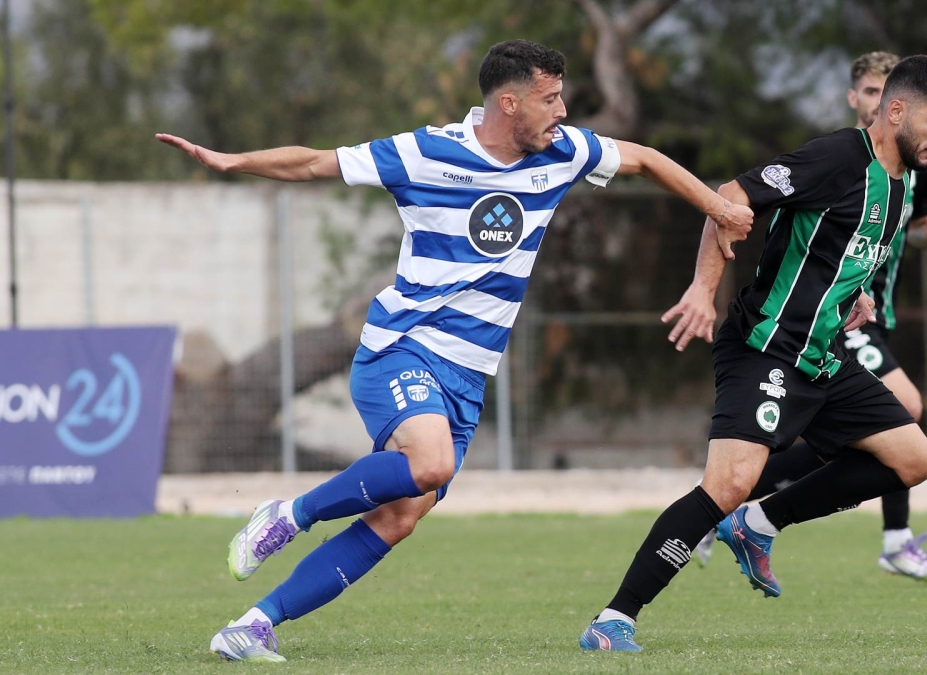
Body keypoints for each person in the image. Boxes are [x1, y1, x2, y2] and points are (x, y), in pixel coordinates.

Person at [158, 39, 754, 663]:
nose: (562, 111)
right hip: (402, 347)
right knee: (431, 464)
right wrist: (230, 161)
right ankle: (288, 515)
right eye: (550, 99)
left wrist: (718, 207)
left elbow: (646, 159)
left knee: (400, 517)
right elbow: (313, 164)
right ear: (509, 102)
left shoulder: (563, 152)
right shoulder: (425, 153)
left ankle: (254, 625)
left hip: (469, 375)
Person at [579, 55, 927, 652]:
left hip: (823, 356)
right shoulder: (838, 158)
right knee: (730, 481)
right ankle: (614, 619)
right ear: (896, 111)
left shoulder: (900, 183)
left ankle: (759, 523)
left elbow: (839, 250)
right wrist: (702, 291)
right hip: (765, 348)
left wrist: (855, 294)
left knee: (913, 458)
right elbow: (731, 198)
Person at [689, 52, 927, 581]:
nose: (876, 100)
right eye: (870, 91)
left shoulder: (916, 165)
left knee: (864, 433)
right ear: (863, 100)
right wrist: (704, 286)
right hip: (822, 317)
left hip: (867, 310)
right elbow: (753, 205)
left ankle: (732, 509)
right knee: (903, 406)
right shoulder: (839, 158)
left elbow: (903, 233)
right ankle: (892, 539)